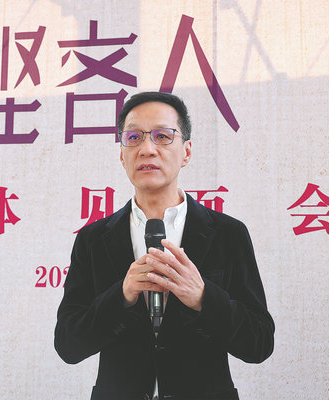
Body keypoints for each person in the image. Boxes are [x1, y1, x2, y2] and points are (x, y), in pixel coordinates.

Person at [54, 91, 274, 400]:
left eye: (162, 136)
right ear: (122, 155)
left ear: (186, 152)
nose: (147, 149)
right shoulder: (93, 238)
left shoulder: (228, 233)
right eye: (134, 138)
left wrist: (202, 297)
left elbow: (259, 343)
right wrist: (121, 296)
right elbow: (68, 345)